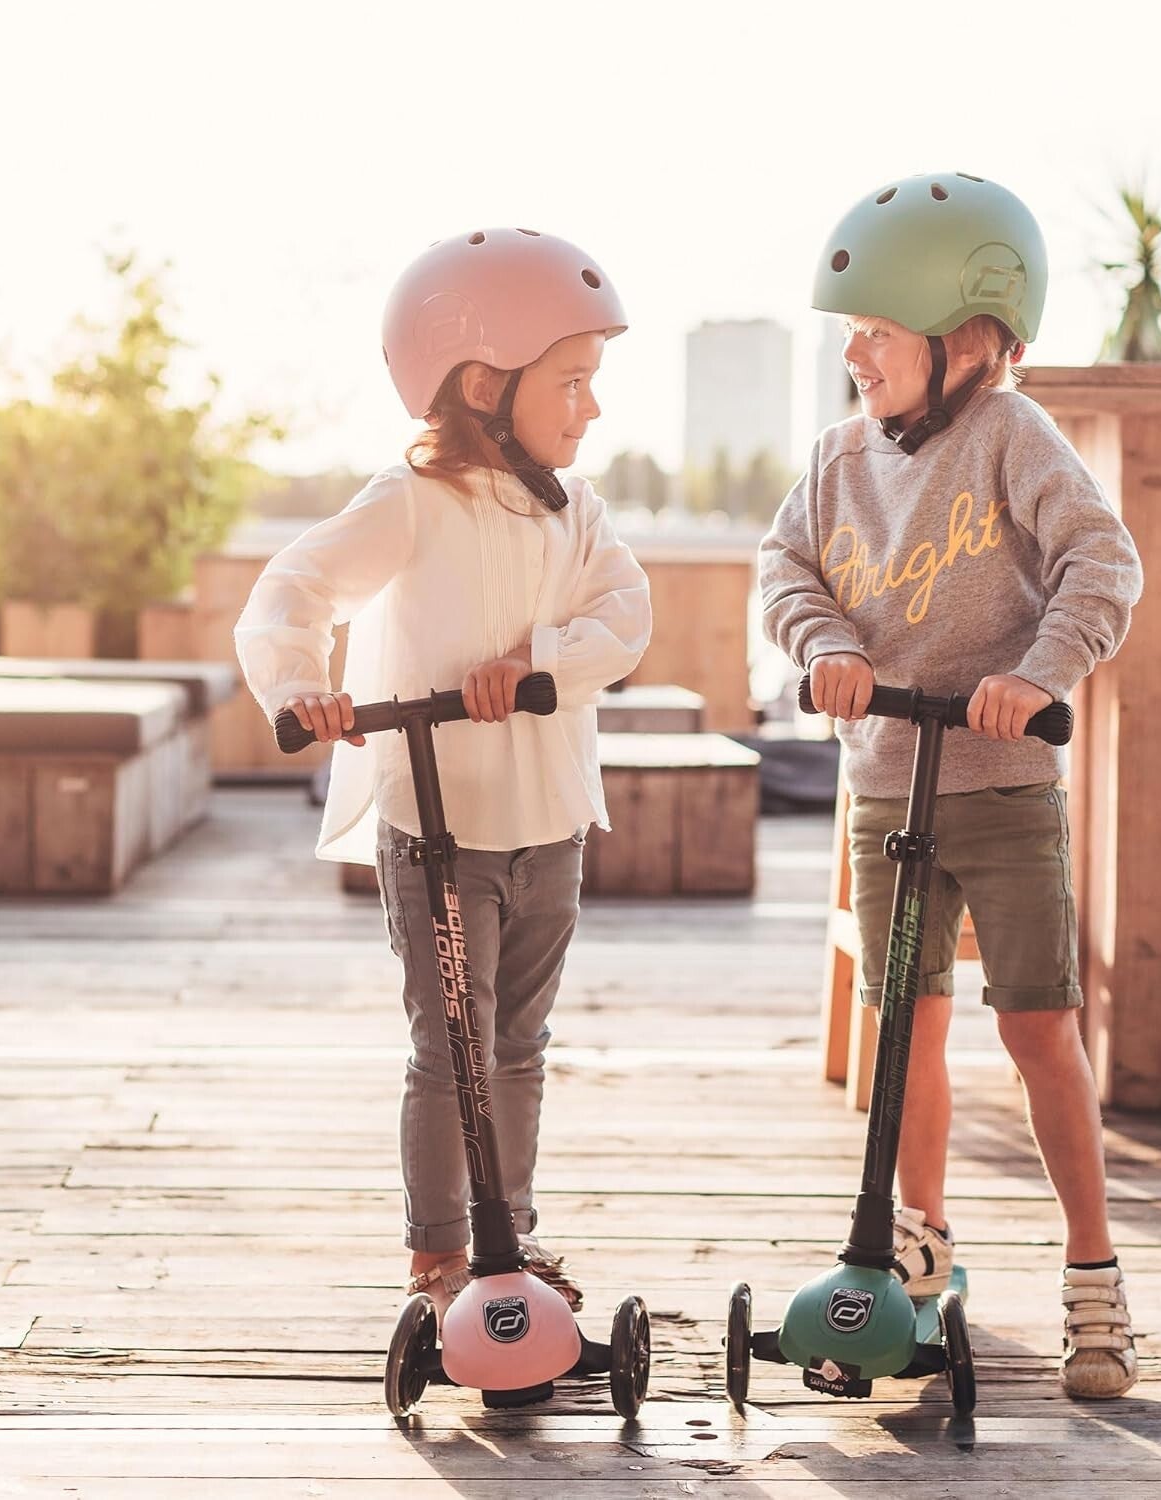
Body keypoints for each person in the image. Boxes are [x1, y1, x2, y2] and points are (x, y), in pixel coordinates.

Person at [759, 173, 1144, 1398]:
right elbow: (782, 569)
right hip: (888, 785)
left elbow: (1102, 559)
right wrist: (824, 646)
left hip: (1005, 787)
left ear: (959, 328)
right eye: (850, 333)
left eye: (874, 328)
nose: (855, 355)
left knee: (1038, 1026)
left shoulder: (1010, 437)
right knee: (905, 1026)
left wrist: (1037, 676)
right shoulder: (834, 462)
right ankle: (913, 1245)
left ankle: (1094, 1277)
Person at [235, 228, 652, 1319]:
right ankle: (438, 1252)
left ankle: (505, 1231)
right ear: (484, 382)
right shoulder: (413, 499)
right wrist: (300, 691)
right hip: (436, 827)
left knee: (519, 1042)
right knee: (449, 1043)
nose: (591, 409)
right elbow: (293, 587)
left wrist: (538, 663)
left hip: (549, 820)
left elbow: (627, 613)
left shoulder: (577, 508)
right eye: (573, 382)